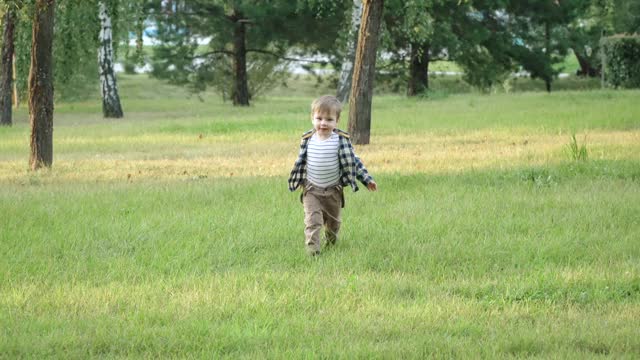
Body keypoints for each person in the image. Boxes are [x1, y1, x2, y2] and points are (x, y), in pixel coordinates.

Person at [288, 95, 377, 256]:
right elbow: (300, 161)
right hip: (311, 189)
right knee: (312, 221)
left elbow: (354, 162)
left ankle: (331, 243)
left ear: (337, 121)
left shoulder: (340, 141)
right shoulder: (307, 139)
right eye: (319, 118)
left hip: (333, 191)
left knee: (333, 223)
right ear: (312, 118)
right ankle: (313, 251)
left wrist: (367, 180)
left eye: (329, 119)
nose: (323, 123)